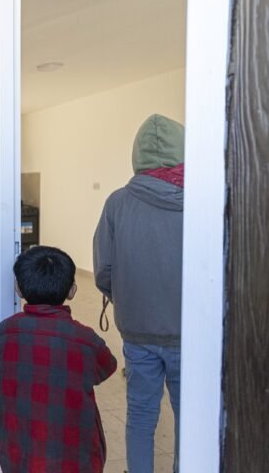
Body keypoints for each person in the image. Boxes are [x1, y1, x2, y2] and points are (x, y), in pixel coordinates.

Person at [93, 114, 184, 473]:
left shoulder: (118, 203)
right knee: (189, 415)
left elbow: (102, 270)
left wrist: (126, 297)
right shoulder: (204, 200)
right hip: (189, 333)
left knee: (142, 415)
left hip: (137, 331)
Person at [0, 246, 117, 473]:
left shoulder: (7, 331)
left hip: (19, 454)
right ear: (72, 291)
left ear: (18, 288)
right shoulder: (86, 340)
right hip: (74, 457)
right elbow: (108, 366)